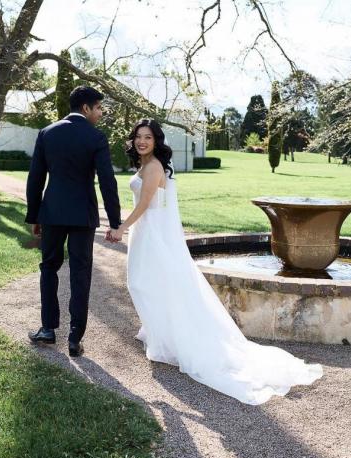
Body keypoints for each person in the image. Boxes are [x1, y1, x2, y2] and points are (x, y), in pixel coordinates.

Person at [108, 119, 323, 404]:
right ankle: (157, 331)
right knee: (150, 283)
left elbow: (145, 204)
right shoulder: (147, 164)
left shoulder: (154, 166)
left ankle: (168, 337)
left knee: (141, 283)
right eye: (138, 137)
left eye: (147, 137)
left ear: (157, 141)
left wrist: (121, 228)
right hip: (148, 232)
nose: (142, 141)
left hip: (153, 235)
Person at [25, 85, 121, 357]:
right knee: (80, 273)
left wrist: (35, 215)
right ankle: (74, 338)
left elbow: (35, 178)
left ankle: (47, 328)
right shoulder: (96, 137)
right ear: (86, 108)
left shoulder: (47, 133)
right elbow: (107, 181)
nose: (101, 113)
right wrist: (114, 221)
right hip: (83, 215)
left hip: (52, 212)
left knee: (49, 267)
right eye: (99, 107)